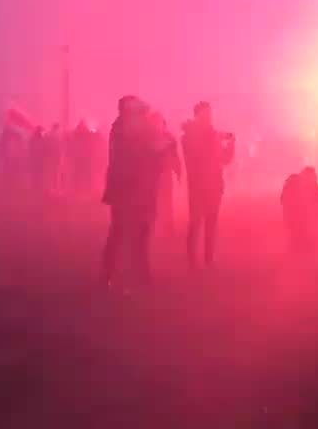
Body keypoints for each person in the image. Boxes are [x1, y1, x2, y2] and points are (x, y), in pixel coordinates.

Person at [101, 97, 171, 292]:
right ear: (126, 111)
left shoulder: (133, 131)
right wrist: (154, 147)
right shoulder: (122, 131)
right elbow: (132, 158)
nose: (142, 116)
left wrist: (159, 149)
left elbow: (150, 157)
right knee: (120, 234)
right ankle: (112, 276)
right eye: (138, 112)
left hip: (138, 190)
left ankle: (140, 275)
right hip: (125, 190)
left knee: (140, 233)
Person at [181, 102, 235, 267]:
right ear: (196, 116)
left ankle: (209, 260)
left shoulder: (212, 135)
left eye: (209, 115)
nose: (208, 118)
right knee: (196, 223)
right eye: (204, 115)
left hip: (214, 185)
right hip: (198, 186)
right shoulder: (189, 136)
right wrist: (214, 139)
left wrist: (231, 145)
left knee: (211, 223)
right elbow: (196, 156)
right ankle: (192, 261)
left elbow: (225, 160)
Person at [281, 167, 318, 255]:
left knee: (296, 243)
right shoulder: (314, 187)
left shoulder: (292, 184)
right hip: (306, 222)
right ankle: (307, 261)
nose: (315, 177)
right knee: (308, 244)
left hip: (294, 222)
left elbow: (283, 200)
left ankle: (295, 261)